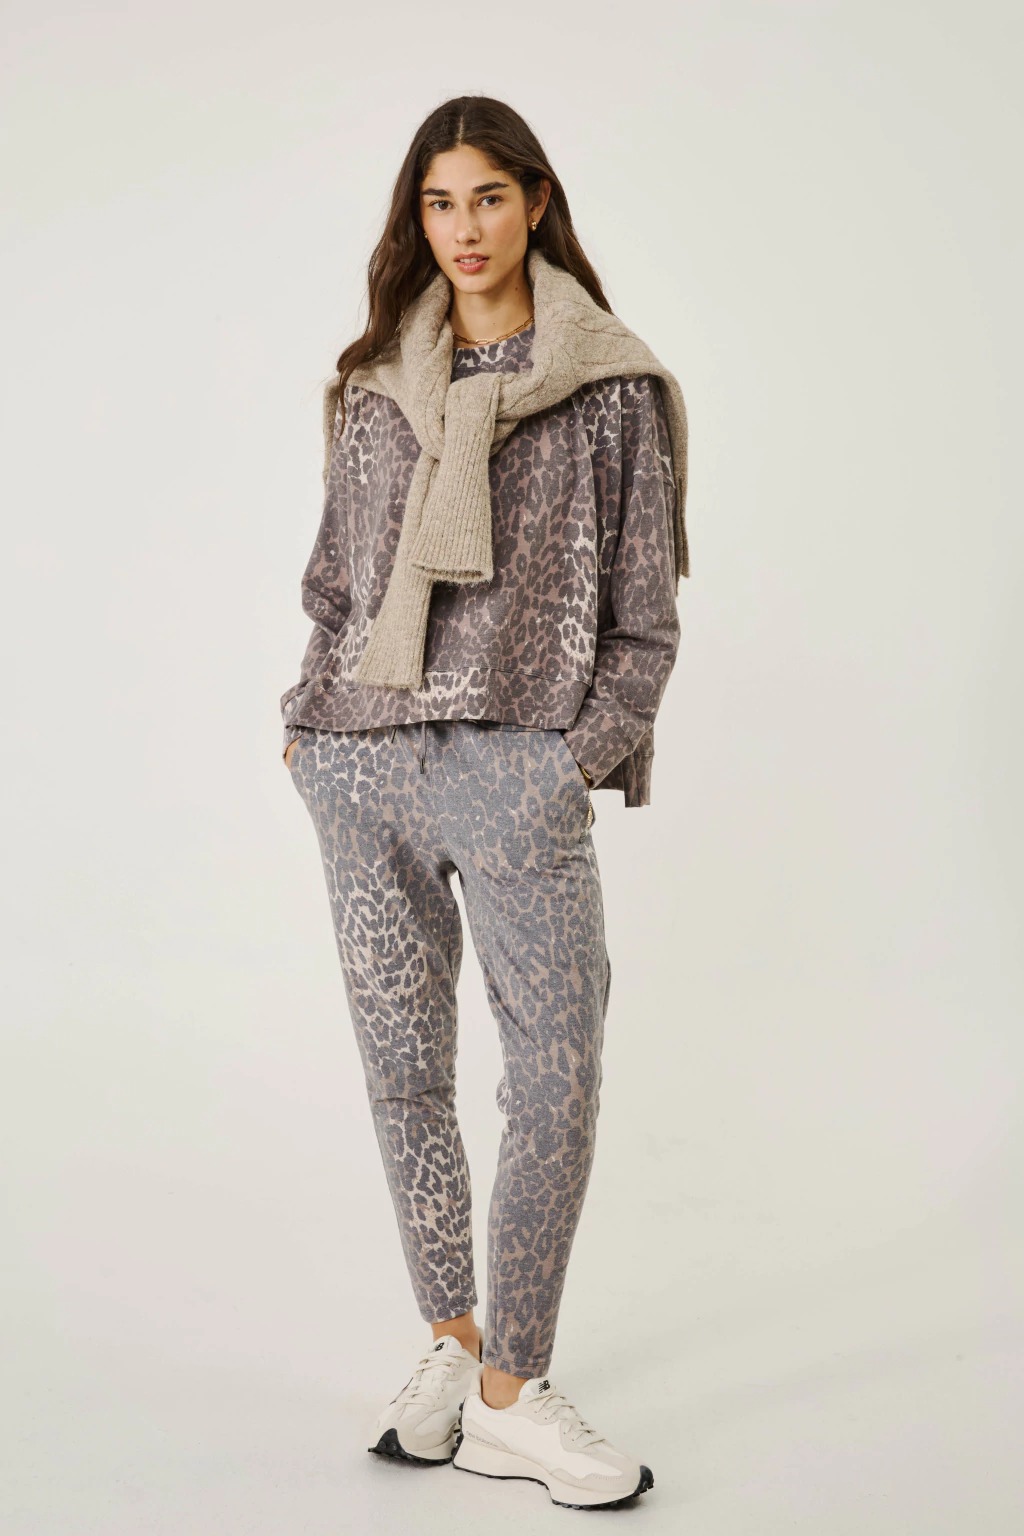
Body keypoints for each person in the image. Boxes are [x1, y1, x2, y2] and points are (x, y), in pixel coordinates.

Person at [280, 94, 689, 1511]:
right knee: (405, 1072)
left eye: (489, 199)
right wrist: (307, 728)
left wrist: (570, 760)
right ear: (420, 217)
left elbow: (642, 619)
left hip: (516, 769)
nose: (465, 229)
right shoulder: (372, 386)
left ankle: (514, 1391)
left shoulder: (610, 388)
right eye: (440, 203)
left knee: (556, 1076)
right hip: (363, 759)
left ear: (536, 203)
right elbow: (334, 581)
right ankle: (456, 1347)